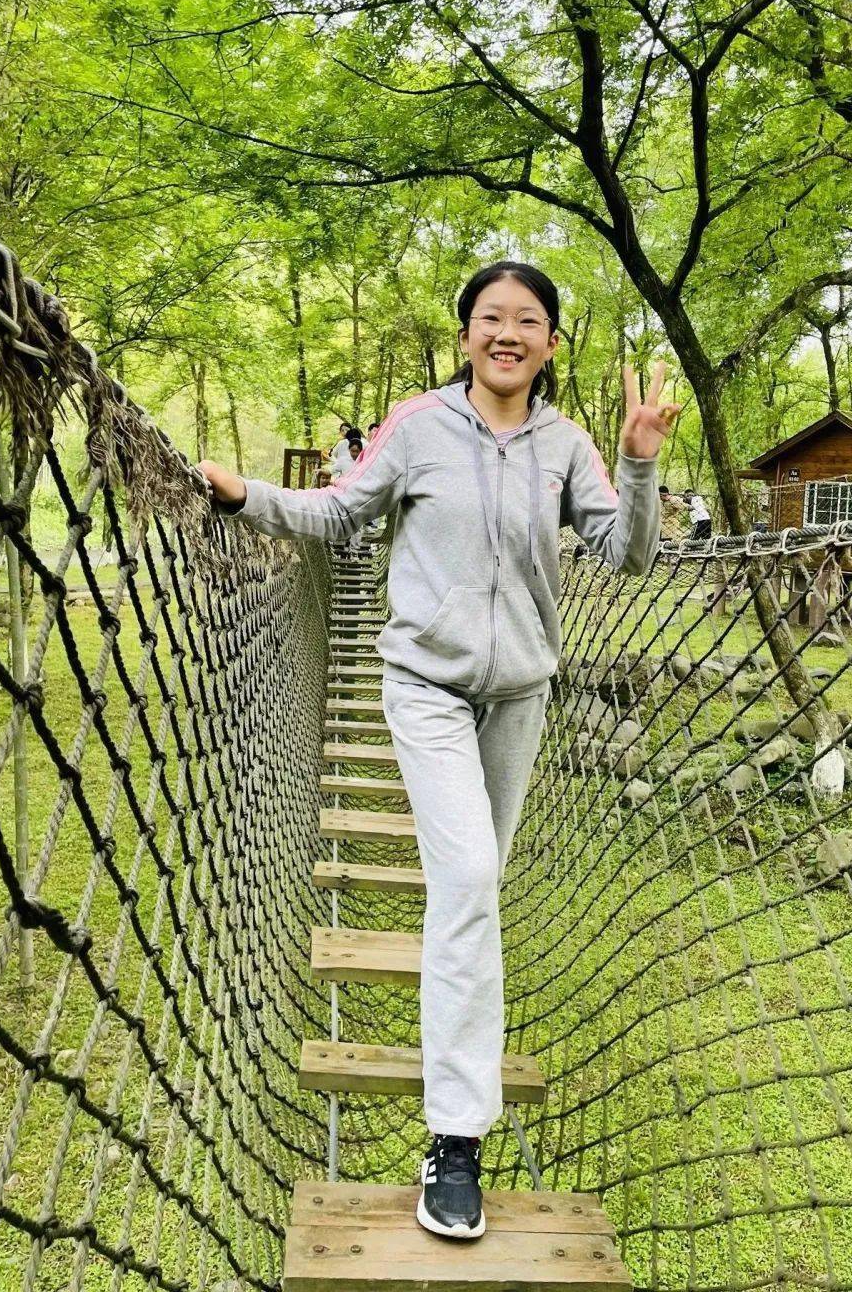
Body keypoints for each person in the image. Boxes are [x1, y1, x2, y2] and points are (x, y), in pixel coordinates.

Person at [198, 260, 678, 1242]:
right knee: (465, 880)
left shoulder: (567, 445)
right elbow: (341, 512)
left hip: (520, 696)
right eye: (491, 317)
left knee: (476, 886)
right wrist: (248, 497)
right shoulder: (417, 425)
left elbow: (629, 554)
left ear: (549, 344)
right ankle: (456, 1138)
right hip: (423, 685)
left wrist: (638, 463)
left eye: (528, 320)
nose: (508, 333)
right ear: (467, 335)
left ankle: (456, 1096)